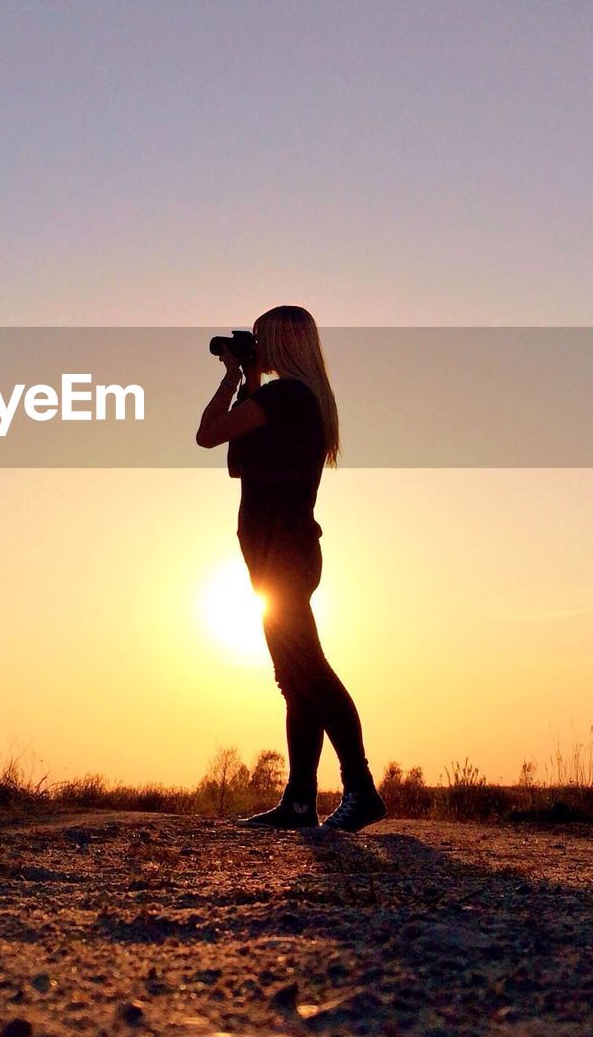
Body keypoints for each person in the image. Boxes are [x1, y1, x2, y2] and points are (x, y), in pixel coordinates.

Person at [196, 305, 387, 832]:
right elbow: (237, 461)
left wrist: (234, 376)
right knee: (295, 678)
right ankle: (300, 801)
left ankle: (361, 788)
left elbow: (208, 434)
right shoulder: (295, 401)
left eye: (260, 340)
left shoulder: (287, 397)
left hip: (283, 554)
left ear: (280, 342)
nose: (255, 346)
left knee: (310, 671)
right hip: (277, 553)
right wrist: (250, 380)